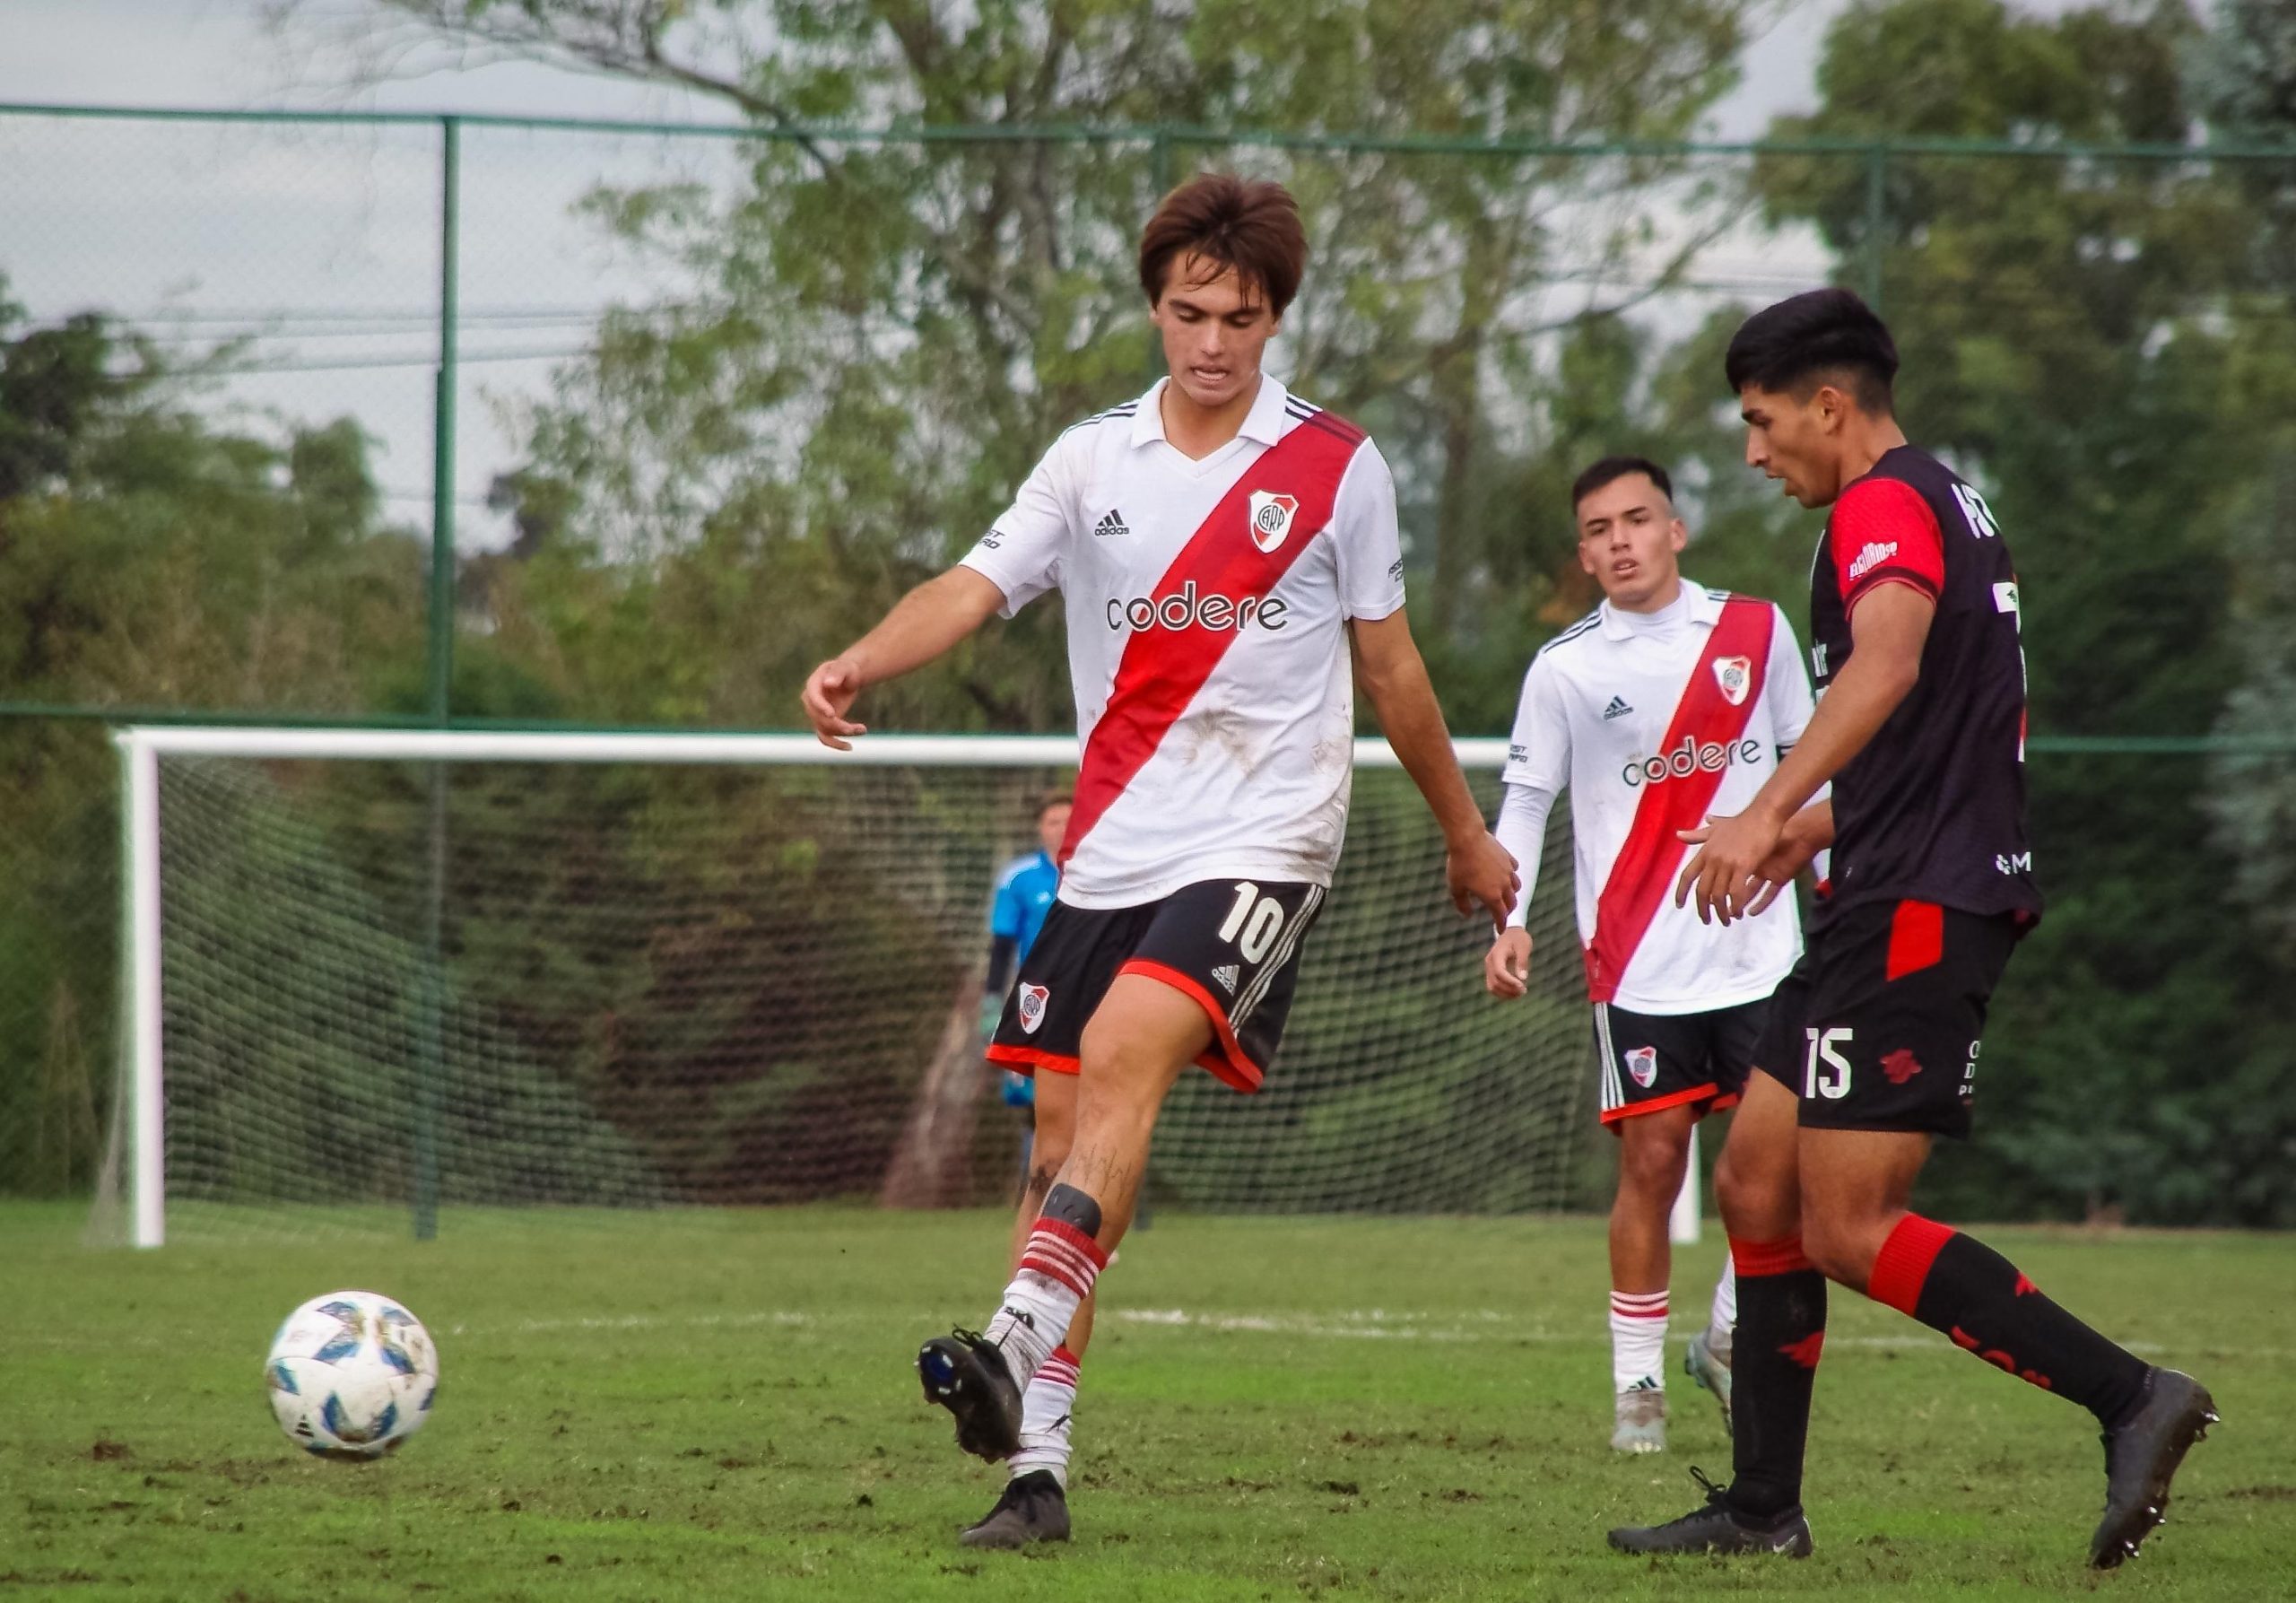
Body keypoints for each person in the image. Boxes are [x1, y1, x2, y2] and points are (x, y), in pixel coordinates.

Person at [799, 172, 1516, 1551]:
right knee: (1060, 1146)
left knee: (1131, 1051)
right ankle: (1035, 1474)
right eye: (1188, 312)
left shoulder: (1336, 467)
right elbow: (973, 583)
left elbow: (1393, 666)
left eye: (1238, 318)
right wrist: (858, 656)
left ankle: (1009, 1329)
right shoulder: (1090, 459)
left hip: (1266, 834)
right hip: (1114, 846)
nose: (1210, 341)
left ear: (1274, 318)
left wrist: (1465, 830)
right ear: (1154, 306)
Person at [1607, 289, 2214, 1568]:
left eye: (1764, 424)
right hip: (1884, 885)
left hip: (1922, 905)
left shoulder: (1881, 503)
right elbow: (1936, 726)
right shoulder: (1943, 497)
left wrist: (1761, 803)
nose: (1757, 452)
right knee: (1757, 1180)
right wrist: (1806, 828)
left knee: (1846, 1221)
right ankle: (1763, 1507)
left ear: (1831, 405)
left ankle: (2131, 1395)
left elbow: (1884, 669)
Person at [1485, 455, 1815, 1454]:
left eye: (1637, 519)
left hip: (1762, 948)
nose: (1620, 540)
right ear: (1583, 554)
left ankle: (1723, 1329)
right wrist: (1505, 916)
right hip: (1635, 959)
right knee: (1657, 1156)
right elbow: (1529, 796)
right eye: (1599, 528)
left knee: (1787, 1161)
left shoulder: (1756, 631)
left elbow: (1812, 762)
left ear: (1677, 529)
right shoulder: (1566, 666)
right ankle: (1636, 1387)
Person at [984, 794, 1072, 1185]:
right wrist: (991, 1001)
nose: (1061, 828)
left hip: (1090, 992)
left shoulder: (1100, 870)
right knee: (1031, 1098)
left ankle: (1094, 1198)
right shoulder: (1018, 877)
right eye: (1053, 821)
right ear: (1041, 827)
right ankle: (1034, 1191)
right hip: (1033, 998)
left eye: (1069, 819)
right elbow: (1002, 944)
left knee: (1092, 1090)